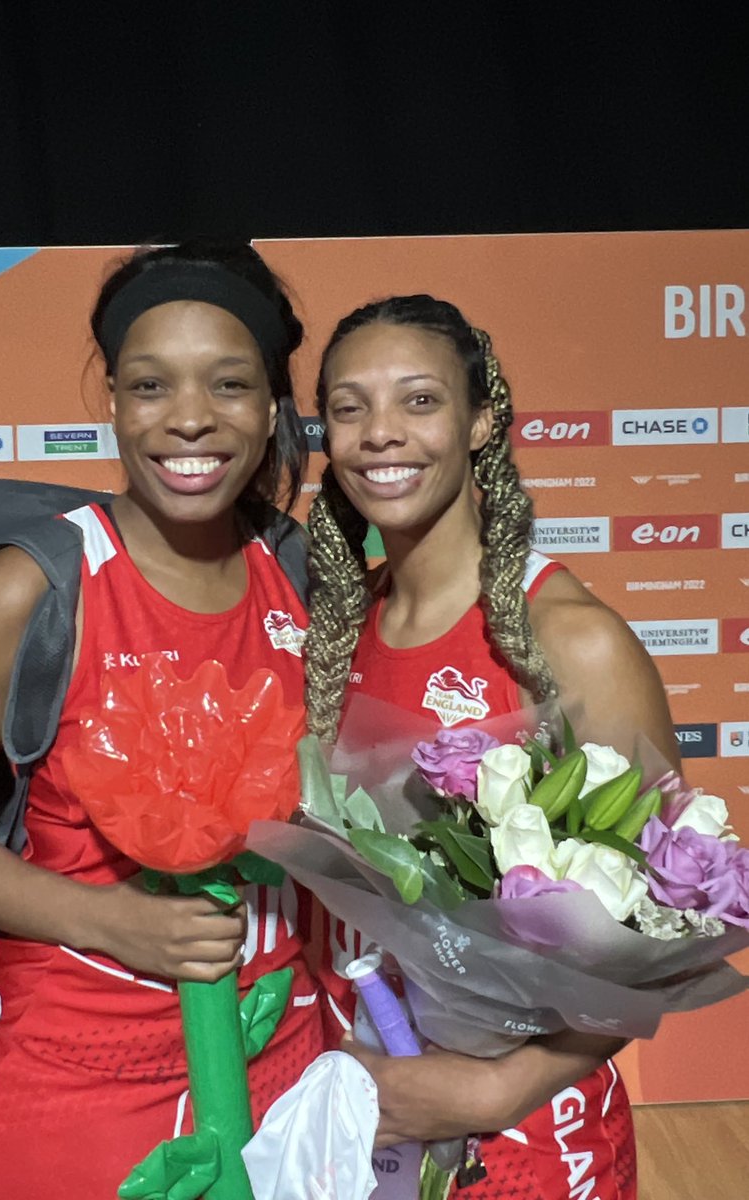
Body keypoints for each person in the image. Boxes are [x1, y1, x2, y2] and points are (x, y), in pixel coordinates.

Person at [0, 239, 328, 1199]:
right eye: (151, 386)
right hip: (72, 1070)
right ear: (112, 400)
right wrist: (104, 918)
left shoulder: (306, 575)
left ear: (272, 406)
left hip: (284, 1050)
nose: (190, 418)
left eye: (230, 384)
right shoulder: (33, 588)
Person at [302, 294, 682, 1199]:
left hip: (524, 1134)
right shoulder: (326, 631)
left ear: (482, 420)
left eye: (420, 401)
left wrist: (493, 1085)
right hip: (353, 1112)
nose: (380, 434)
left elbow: (668, 927)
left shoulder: (572, 639)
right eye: (349, 408)